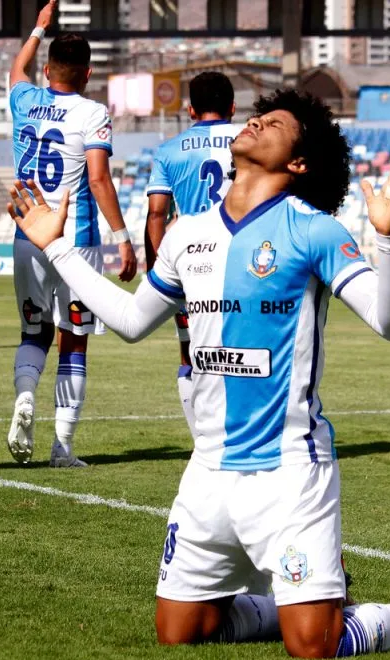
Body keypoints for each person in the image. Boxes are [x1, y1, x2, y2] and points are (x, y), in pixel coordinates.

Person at [7, 89, 390, 658]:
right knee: (180, 634)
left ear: (297, 162)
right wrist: (56, 248)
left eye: (273, 123)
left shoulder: (315, 231)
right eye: (257, 116)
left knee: (314, 645)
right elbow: (130, 321)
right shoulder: (186, 234)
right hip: (208, 468)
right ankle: (309, 596)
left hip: (290, 468)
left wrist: (388, 240)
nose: (255, 122)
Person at [5, 0, 138, 468]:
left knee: (33, 331)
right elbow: (98, 179)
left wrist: (39, 28)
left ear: (47, 70)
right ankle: (62, 448)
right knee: (74, 338)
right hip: (75, 240)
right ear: (87, 73)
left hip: (28, 234)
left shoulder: (24, 101)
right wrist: (122, 237)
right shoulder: (93, 112)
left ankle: (26, 395)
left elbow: (16, 69)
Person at [144, 71, 240, 438]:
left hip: (193, 264)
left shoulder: (169, 150)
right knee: (248, 350)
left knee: (190, 353)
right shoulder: (250, 140)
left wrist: (160, 270)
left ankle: (202, 441)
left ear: (190, 110)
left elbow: (156, 214)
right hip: (242, 261)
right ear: (233, 107)